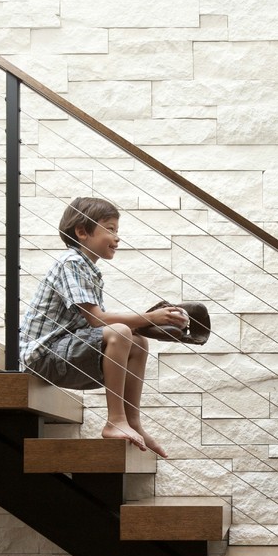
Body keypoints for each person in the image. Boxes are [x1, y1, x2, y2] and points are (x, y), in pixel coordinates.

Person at [20, 196, 188, 458]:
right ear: (82, 232)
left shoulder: (89, 270)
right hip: (42, 356)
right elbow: (98, 320)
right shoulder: (71, 263)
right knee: (122, 332)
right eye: (110, 228)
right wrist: (150, 318)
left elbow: (97, 326)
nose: (117, 237)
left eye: (117, 230)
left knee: (136, 340)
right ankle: (115, 420)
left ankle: (132, 422)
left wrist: (151, 324)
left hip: (63, 352)